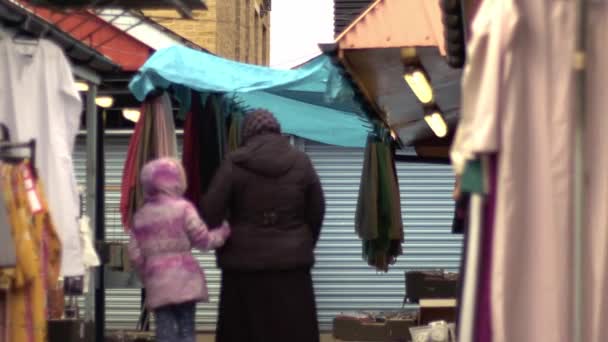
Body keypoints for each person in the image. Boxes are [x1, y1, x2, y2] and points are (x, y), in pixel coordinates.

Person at [201, 109, 326, 342]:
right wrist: (303, 241)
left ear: (246, 133)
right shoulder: (301, 161)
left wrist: (229, 235)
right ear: (277, 130)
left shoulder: (234, 163)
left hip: (244, 270)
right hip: (292, 270)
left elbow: (210, 212)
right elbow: (317, 209)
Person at [128, 158, 230, 342]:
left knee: (165, 332)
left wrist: (147, 274)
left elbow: (135, 255)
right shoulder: (183, 208)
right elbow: (202, 239)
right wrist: (222, 233)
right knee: (187, 329)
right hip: (185, 279)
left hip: (157, 281)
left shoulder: (141, 216)